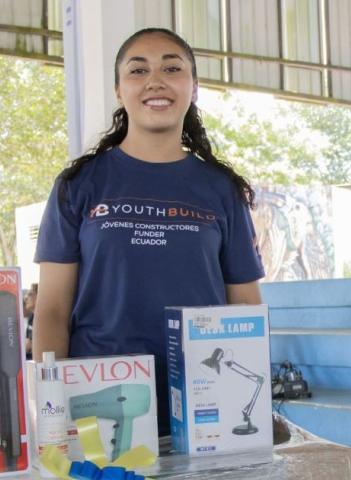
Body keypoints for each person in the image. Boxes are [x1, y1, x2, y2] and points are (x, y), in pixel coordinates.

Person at [33, 28, 265, 436]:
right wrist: (52, 413)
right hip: (100, 402)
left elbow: (245, 305)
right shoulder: (80, 185)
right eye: (138, 70)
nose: (155, 81)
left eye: (172, 69)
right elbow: (52, 310)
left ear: (194, 88)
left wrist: (251, 410)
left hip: (202, 405)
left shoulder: (221, 189)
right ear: (119, 90)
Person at [23, 283, 38, 360]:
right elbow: (27, 344)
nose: (25, 298)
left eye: (30, 294)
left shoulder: (45, 319)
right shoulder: (31, 318)